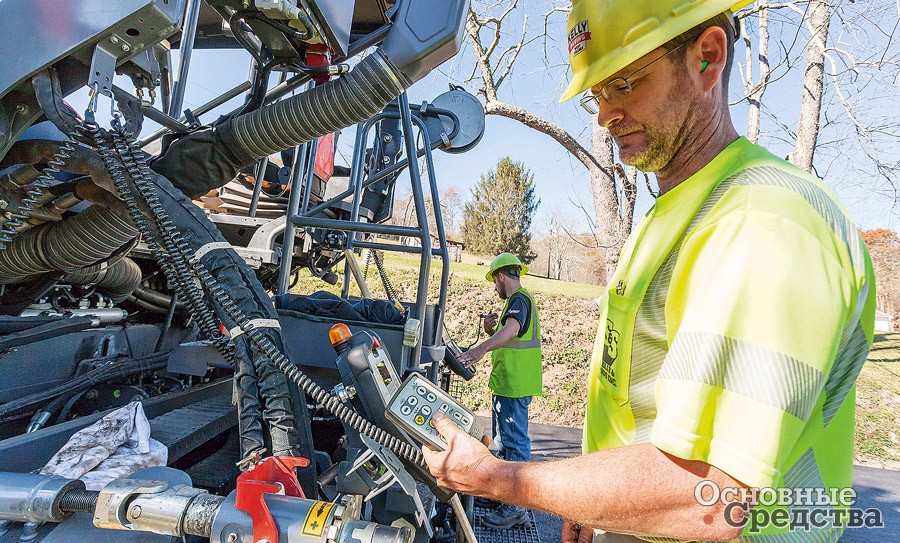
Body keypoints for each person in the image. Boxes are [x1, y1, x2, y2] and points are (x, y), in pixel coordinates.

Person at [424, 1, 876, 542]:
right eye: (597, 94)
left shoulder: (767, 225)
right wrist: (590, 503)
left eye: (624, 84)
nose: (604, 114)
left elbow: (712, 501)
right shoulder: (679, 212)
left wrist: (495, 477)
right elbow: (637, 401)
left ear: (707, 58)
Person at [456, 252, 543, 529]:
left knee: (515, 444)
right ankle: (503, 494)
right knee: (504, 443)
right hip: (508, 384)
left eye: (495, 282)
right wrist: (489, 329)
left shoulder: (519, 299)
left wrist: (480, 349)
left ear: (501, 276)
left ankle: (516, 506)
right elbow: (507, 330)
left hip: (515, 385)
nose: (495, 288)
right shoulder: (517, 303)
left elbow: (513, 331)